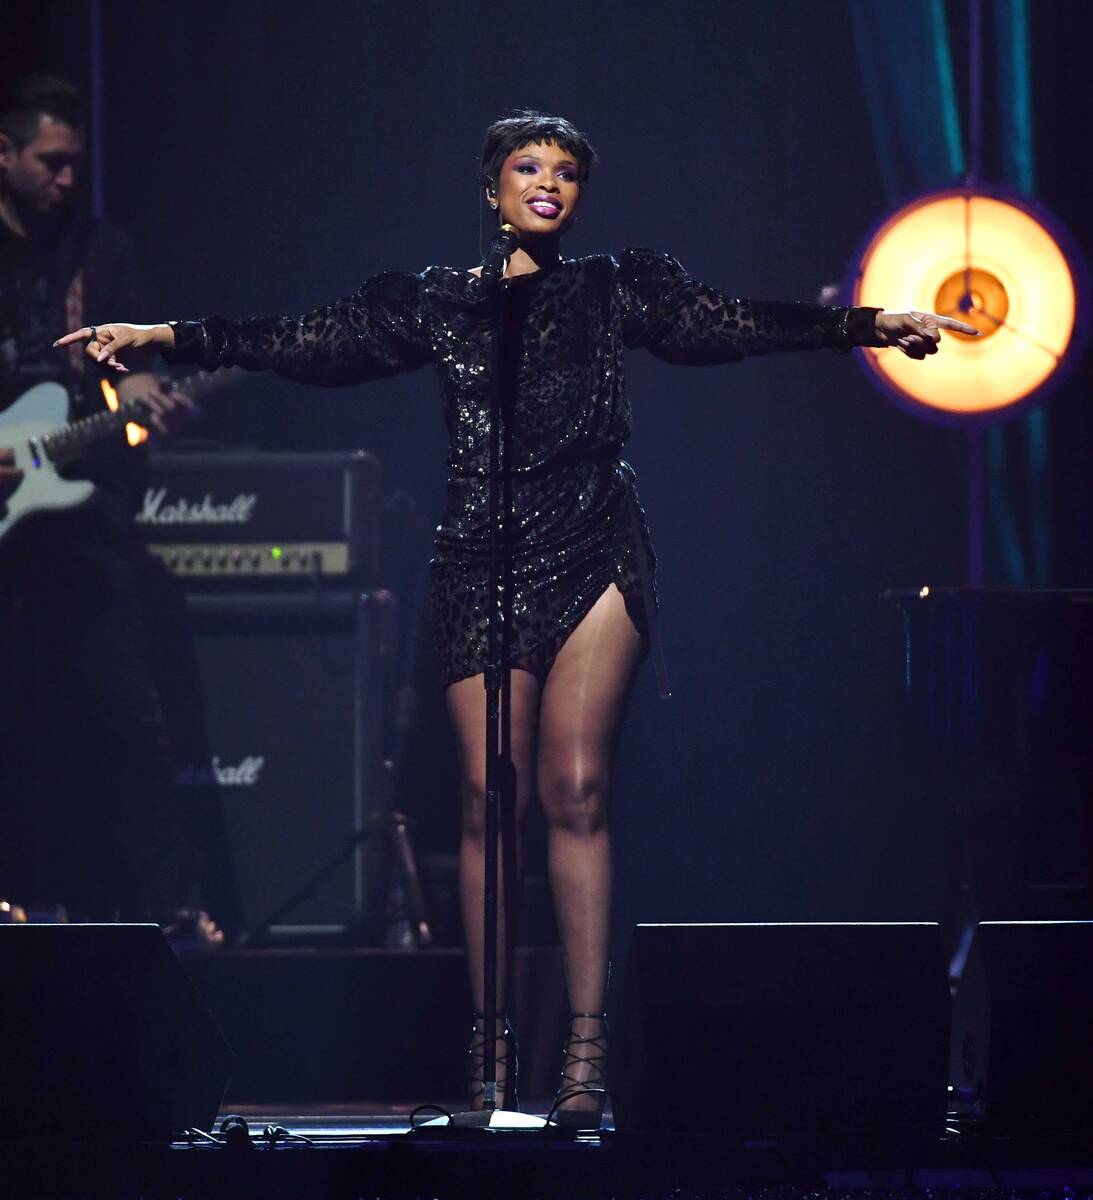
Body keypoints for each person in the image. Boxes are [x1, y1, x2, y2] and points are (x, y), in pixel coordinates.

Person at [56, 109, 977, 1123]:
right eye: (529, 166)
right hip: (479, 554)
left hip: (592, 538)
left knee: (574, 787)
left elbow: (722, 325)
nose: (550, 183)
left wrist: (861, 324)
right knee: (492, 798)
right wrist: (164, 337)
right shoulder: (437, 304)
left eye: (568, 171)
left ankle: (584, 1055)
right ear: (490, 186)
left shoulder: (613, 285)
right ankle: (488, 1052)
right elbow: (305, 341)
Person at [0, 75, 216, 933]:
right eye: (49, 163)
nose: (65, 180)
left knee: (130, 721)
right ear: (4, 154)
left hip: (88, 528)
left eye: (75, 166)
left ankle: (166, 912)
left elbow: (135, 368)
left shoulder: (103, 252)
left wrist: (147, 399)